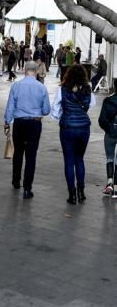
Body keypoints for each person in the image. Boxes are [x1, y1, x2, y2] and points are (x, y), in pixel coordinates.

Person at [4, 60, 51, 199]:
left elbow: (10, 106)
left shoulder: (16, 86)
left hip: (19, 122)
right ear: (36, 71)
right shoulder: (41, 87)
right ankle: (27, 188)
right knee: (31, 156)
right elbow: (46, 109)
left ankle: (16, 181)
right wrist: (38, 112)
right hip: (34, 123)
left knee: (18, 152)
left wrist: (7, 122)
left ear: (25, 70)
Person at [51, 65, 94, 204]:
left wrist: (61, 116)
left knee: (69, 161)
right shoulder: (88, 90)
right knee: (79, 159)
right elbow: (91, 104)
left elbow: (55, 109)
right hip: (83, 128)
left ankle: (72, 194)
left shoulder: (62, 90)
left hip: (67, 128)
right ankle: (81, 192)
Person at [98, 79, 117, 197]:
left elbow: (101, 120)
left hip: (110, 133)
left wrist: (109, 129)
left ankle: (109, 183)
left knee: (110, 158)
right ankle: (116, 188)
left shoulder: (108, 101)